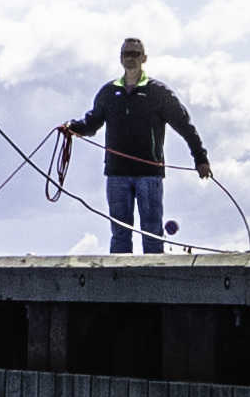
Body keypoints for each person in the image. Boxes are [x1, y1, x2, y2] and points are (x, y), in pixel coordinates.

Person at [54, 42, 211, 255]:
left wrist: (200, 158)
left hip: (149, 175)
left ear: (144, 58)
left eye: (136, 54)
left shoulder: (159, 92)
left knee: (152, 232)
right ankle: (117, 284)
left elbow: (185, 125)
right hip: (117, 174)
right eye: (127, 54)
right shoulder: (108, 93)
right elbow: (92, 124)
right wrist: (72, 128)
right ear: (120, 58)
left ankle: (156, 282)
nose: (131, 58)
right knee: (119, 233)